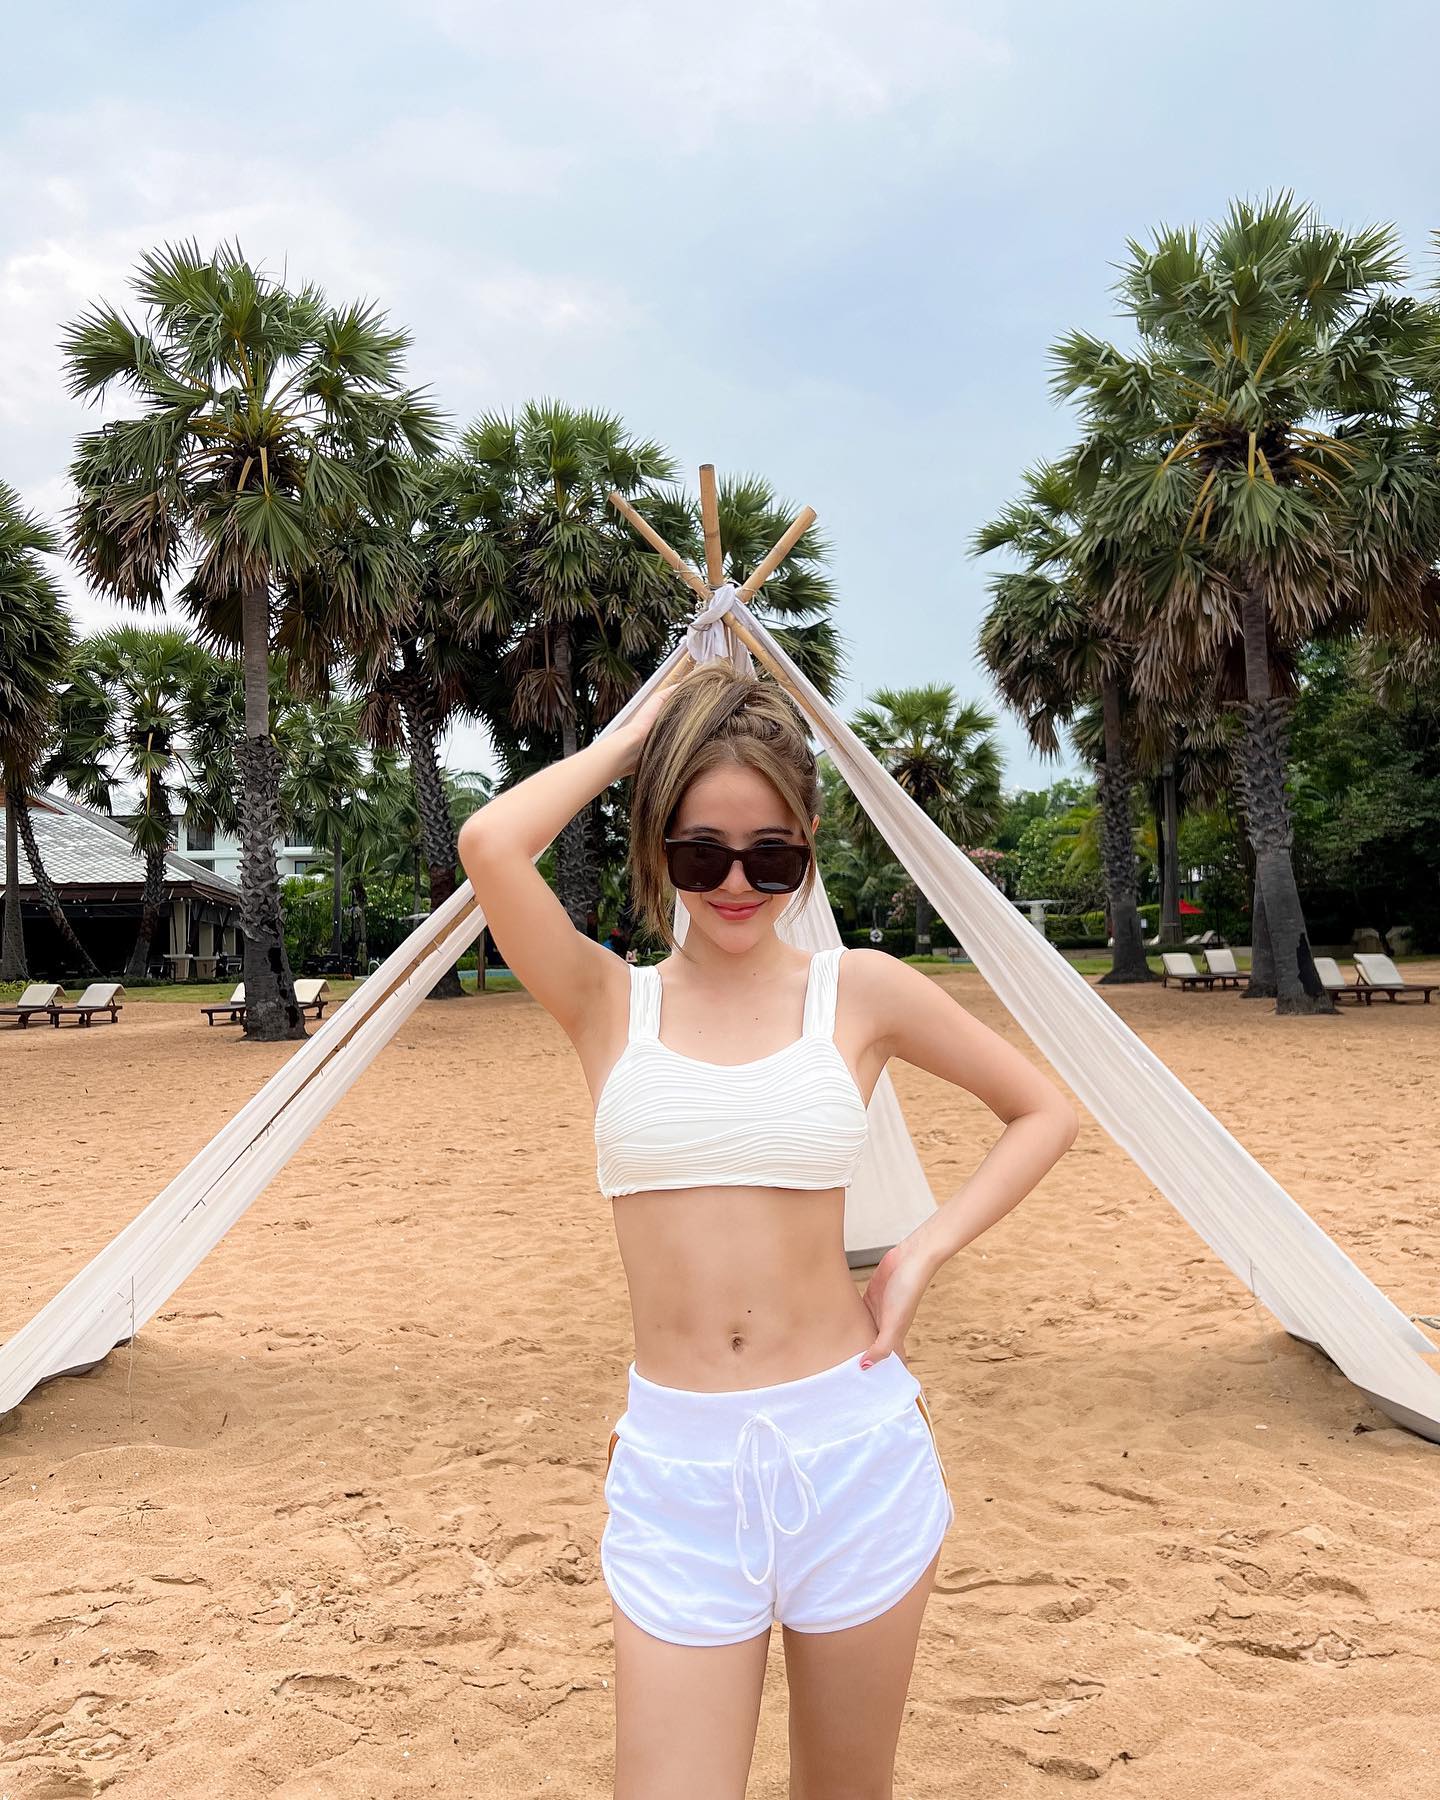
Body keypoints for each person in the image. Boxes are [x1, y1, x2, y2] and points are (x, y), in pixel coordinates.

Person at [458, 663, 1079, 1799]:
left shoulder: (862, 990)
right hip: (679, 1469)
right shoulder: (607, 1000)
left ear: (808, 848)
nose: (737, 884)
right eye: (701, 854)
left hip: (854, 1448)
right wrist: (636, 739)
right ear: (658, 848)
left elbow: (1043, 1112)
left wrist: (920, 1252)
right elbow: (491, 844)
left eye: (772, 857)